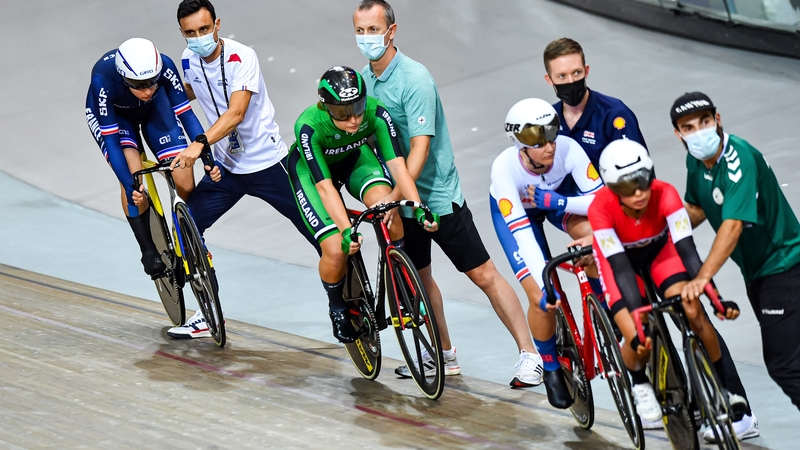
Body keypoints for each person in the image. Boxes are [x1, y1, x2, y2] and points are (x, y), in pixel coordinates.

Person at [354, 0, 544, 386]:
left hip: (436, 198)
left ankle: (530, 355)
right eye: (360, 31)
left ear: (391, 31)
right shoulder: (364, 81)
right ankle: (444, 353)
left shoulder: (415, 78)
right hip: (401, 201)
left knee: (482, 274)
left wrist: (395, 193)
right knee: (422, 280)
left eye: (373, 30)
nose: (366, 38)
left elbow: (421, 147)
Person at [166, 0, 319, 339]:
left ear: (217, 25)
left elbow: (237, 112)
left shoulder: (241, 56)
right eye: (190, 32)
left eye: (204, 29)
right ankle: (206, 312)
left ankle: (351, 306)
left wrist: (199, 145)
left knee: (320, 235)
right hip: (227, 169)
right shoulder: (188, 59)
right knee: (184, 225)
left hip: (268, 164)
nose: (198, 37)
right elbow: (184, 95)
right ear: (182, 33)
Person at [590, 139, 747, 425]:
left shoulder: (666, 193)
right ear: (613, 189)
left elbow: (687, 251)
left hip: (661, 253)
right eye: (627, 187)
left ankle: (726, 389)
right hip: (622, 264)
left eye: (643, 181)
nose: (638, 193)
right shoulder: (600, 209)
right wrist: (638, 322)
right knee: (639, 338)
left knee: (694, 312)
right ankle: (639, 383)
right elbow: (621, 270)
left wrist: (715, 297)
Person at [673, 91, 800, 423]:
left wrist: (701, 278)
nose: (698, 131)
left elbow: (732, 226)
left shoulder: (739, 157)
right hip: (757, 273)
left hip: (785, 267)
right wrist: (661, 234)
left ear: (718, 119)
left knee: (785, 365)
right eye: (688, 126)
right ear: (678, 134)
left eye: (704, 121)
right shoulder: (695, 161)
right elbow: (697, 208)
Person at [286, 66, 436, 343]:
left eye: (357, 107)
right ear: (325, 106)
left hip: (355, 159)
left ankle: (401, 285)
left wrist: (416, 206)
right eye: (343, 113)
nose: (354, 119)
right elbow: (325, 187)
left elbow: (399, 168)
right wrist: (346, 230)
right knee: (335, 248)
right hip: (313, 174)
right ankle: (337, 306)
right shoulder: (307, 126)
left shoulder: (376, 113)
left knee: (389, 210)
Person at [490, 98, 604, 407]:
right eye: (536, 141)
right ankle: (551, 366)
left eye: (551, 134)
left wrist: (557, 202)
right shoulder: (504, 168)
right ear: (519, 144)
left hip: (554, 201)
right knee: (542, 300)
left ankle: (604, 307)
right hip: (517, 219)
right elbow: (522, 234)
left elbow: (601, 202)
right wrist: (545, 282)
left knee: (593, 241)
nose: (548, 146)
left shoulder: (568, 149)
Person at [85, 37, 203, 277]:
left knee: (185, 180)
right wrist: (131, 187)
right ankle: (148, 249)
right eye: (139, 85)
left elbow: (186, 115)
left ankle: (185, 238)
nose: (148, 89)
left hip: (154, 109)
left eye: (152, 82)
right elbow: (112, 142)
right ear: (123, 77)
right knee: (133, 176)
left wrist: (206, 155)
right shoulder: (102, 80)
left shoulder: (165, 67)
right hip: (117, 117)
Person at [542, 37, 646, 169]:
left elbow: (640, 173)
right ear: (549, 79)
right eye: (562, 76)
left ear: (586, 71)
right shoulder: (547, 119)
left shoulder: (614, 114)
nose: (571, 81)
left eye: (576, 72)